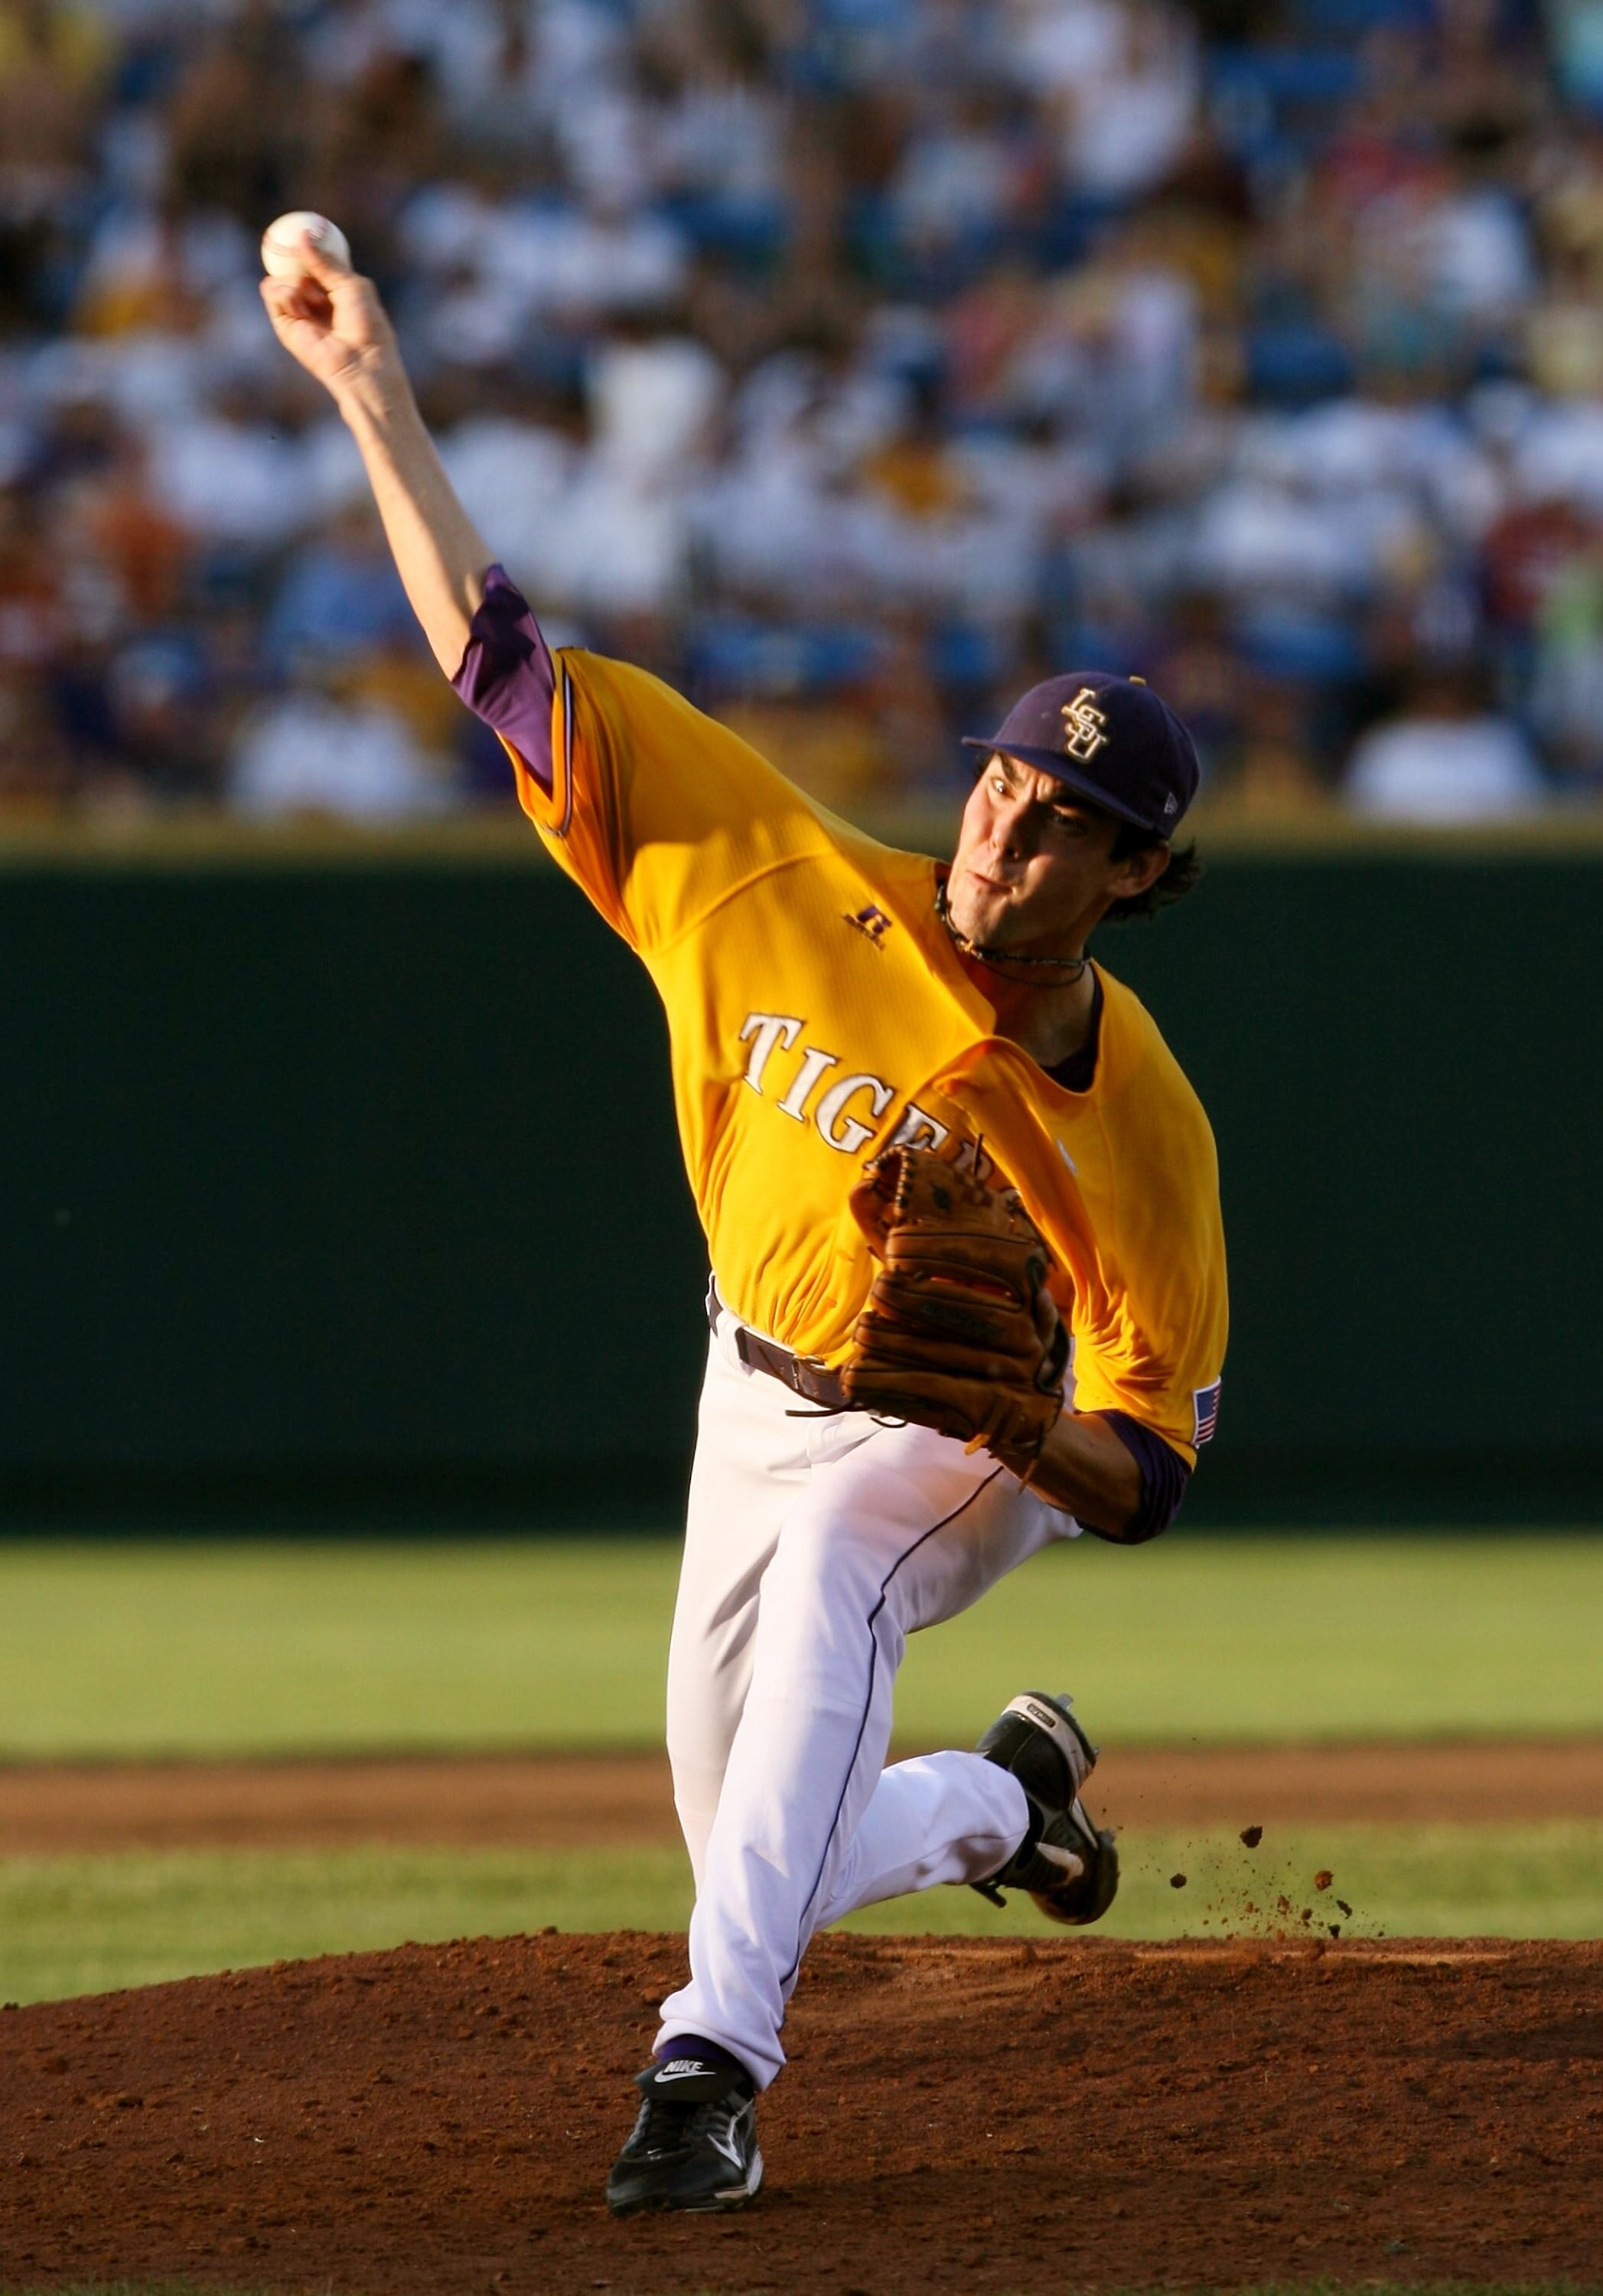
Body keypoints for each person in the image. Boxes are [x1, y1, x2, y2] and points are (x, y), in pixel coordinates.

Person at [262, 232, 1228, 2219]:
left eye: (1063, 824)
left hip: (959, 1444)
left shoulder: (1145, 1122)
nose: (1006, 829)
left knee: (847, 1578)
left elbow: (1152, 1472)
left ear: (1137, 875)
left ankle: (707, 2072)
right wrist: (374, 393)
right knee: (753, 1831)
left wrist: (1017, 1429)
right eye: (1001, 784)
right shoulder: (778, 879)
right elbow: (509, 669)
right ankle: (1006, 1803)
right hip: (750, 1381)